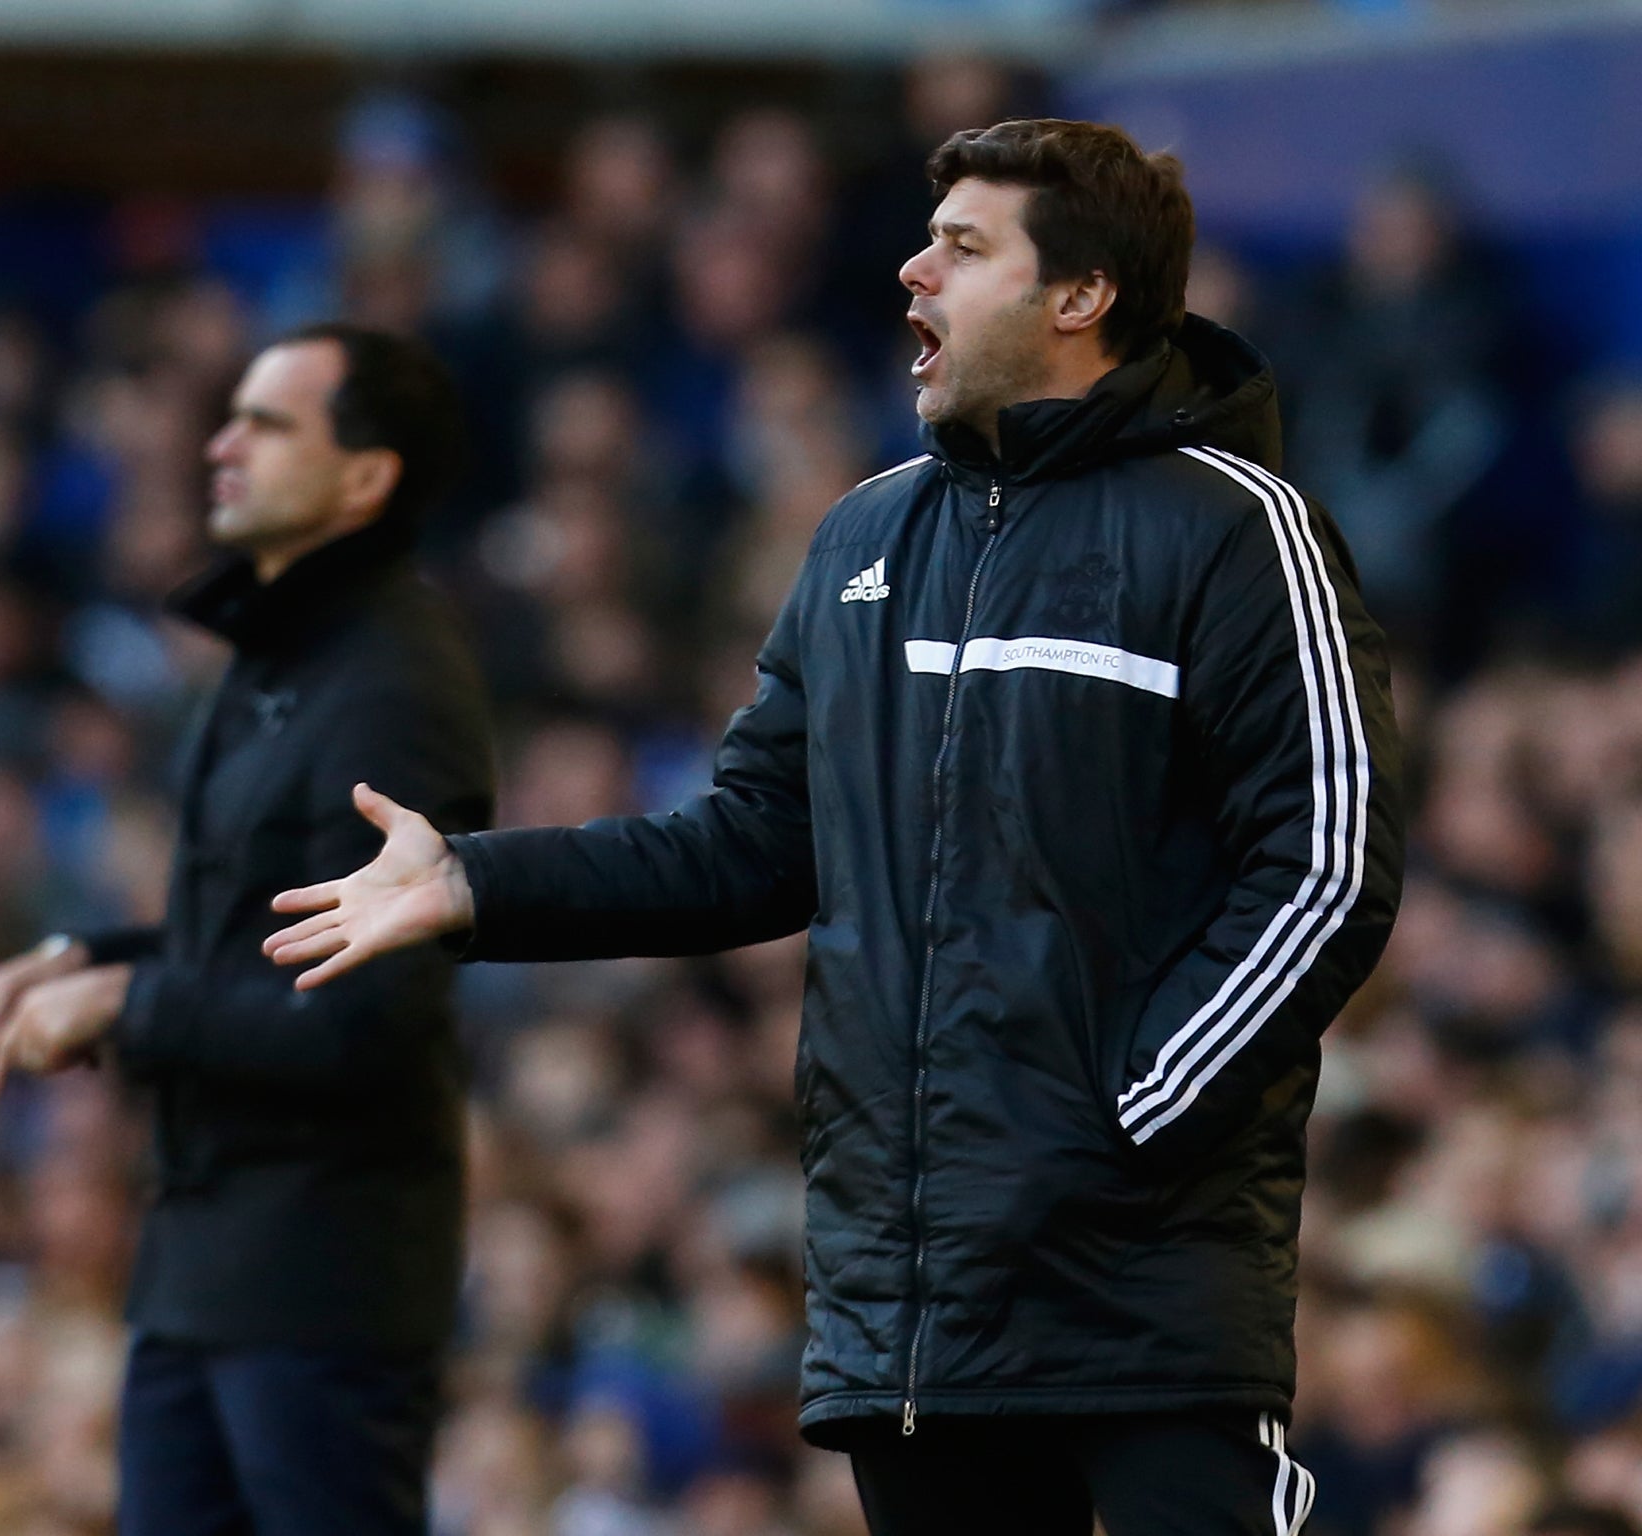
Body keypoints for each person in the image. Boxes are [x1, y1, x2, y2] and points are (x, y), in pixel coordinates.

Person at [265, 121, 1405, 1534]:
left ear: (1082, 295)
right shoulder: (863, 540)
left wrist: (1135, 1114)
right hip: (913, 1315)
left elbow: (1330, 863)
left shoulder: (1238, 530)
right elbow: (750, 843)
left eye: (965, 246)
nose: (913, 271)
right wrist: (478, 885)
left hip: (1145, 1291)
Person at [0, 322, 494, 1536]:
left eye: (265, 423)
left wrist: (125, 1007)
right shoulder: (275, 661)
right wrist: (91, 957)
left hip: (320, 1284)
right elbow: (245, 947)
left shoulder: (391, 692)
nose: (221, 445)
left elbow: (364, 1012)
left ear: (365, 477)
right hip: (205, 1268)